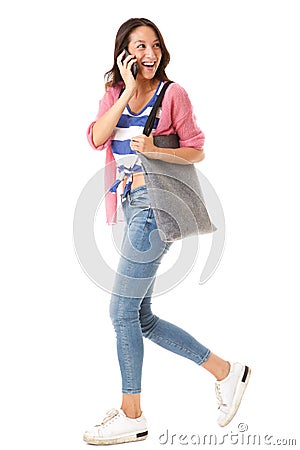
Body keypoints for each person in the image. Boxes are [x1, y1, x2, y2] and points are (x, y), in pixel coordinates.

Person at [83, 18, 251, 446]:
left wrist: (155, 149)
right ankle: (226, 372)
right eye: (139, 46)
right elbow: (97, 138)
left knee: (120, 312)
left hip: (155, 207)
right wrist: (122, 94)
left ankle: (131, 414)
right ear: (123, 52)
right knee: (141, 317)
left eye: (155, 45)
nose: (149, 54)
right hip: (130, 207)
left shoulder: (172, 94)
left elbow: (196, 148)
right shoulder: (112, 95)